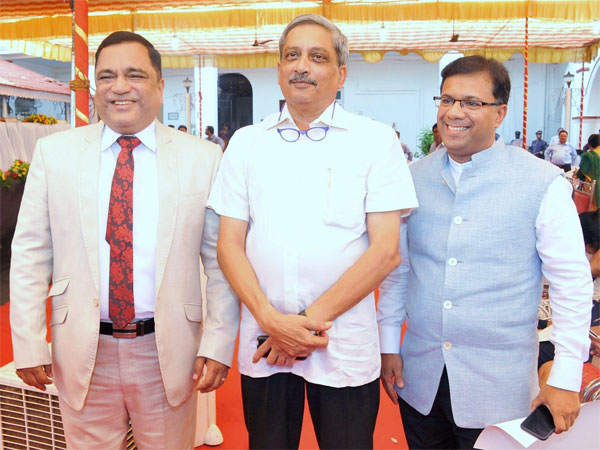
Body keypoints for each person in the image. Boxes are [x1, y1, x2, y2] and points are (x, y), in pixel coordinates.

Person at [10, 31, 239, 449]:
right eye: (107, 76)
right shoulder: (54, 154)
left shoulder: (202, 158)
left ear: (159, 85)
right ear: (95, 86)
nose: (120, 87)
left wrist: (219, 342)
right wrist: (27, 343)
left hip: (168, 352)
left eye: (135, 75)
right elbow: (30, 254)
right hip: (81, 348)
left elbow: (221, 260)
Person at [208, 14, 417, 449]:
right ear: (279, 70)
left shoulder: (375, 141)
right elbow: (228, 246)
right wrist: (272, 321)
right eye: (292, 56)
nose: (302, 66)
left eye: (317, 57)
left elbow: (385, 252)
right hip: (265, 342)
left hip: (342, 342)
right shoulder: (246, 143)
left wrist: (301, 326)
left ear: (341, 74)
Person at [378, 55, 592, 449]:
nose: (454, 112)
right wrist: (388, 345)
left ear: (500, 113)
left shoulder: (541, 182)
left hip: (501, 391)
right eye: (447, 100)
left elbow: (571, 283)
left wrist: (564, 377)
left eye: (471, 103)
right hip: (421, 379)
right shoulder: (413, 178)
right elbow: (400, 271)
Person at [576, 133, 600, 210]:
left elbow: (581, 172)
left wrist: (576, 174)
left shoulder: (589, 156)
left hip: (593, 188)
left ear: (589, 144)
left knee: (592, 211)